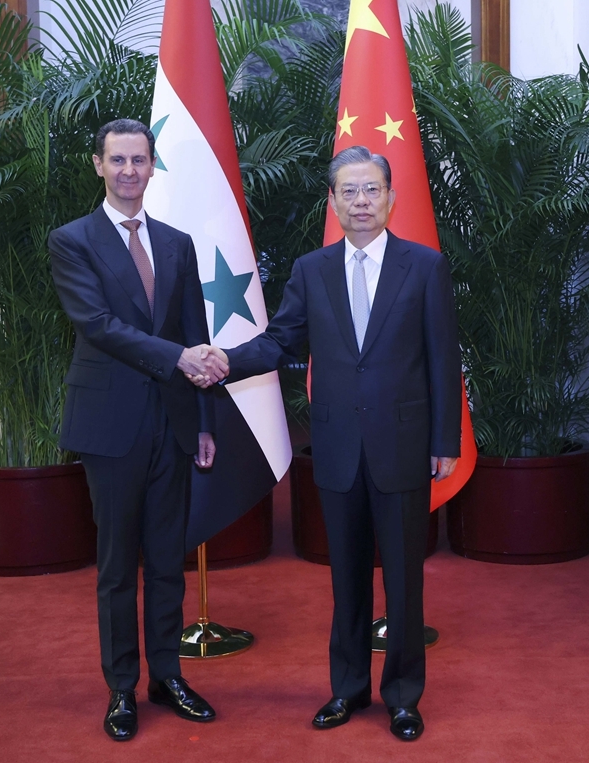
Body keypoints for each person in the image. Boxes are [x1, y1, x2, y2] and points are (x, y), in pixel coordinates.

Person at [193, 146, 461, 741]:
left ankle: (403, 697)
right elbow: (281, 342)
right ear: (333, 202)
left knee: (404, 582)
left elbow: (444, 359)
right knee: (346, 580)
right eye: (349, 192)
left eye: (371, 191)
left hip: (404, 445)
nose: (361, 202)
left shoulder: (424, 267)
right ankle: (347, 690)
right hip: (338, 449)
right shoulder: (312, 270)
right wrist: (224, 361)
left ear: (391, 198)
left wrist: (445, 439)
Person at [49, 118, 228, 742]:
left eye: (140, 160)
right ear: (98, 165)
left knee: (168, 562)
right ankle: (122, 687)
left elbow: (192, 330)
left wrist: (203, 418)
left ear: (153, 168)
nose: (129, 171)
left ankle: (168, 676)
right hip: (111, 426)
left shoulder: (177, 243)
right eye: (117, 160)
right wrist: (177, 359)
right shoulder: (72, 240)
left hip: (174, 423)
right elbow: (96, 324)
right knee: (118, 565)